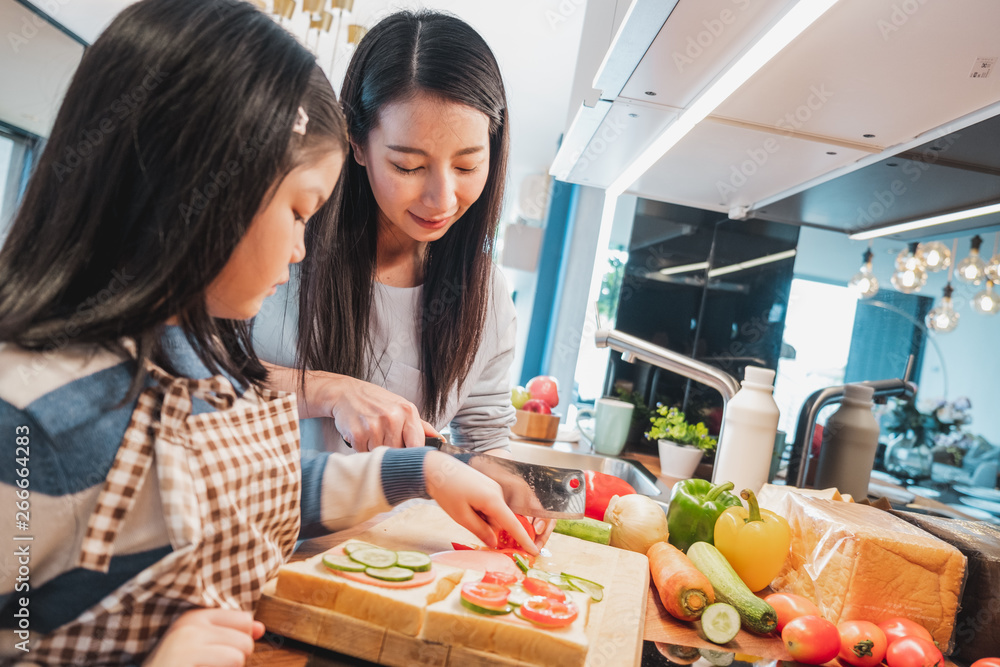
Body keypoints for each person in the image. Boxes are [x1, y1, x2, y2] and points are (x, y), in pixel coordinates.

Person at [0, 1, 533, 665]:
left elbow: (258, 494)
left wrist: (419, 469)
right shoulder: (31, 425)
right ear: (199, 192)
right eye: (299, 211)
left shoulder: (188, 371)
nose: (303, 249)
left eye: (465, 165)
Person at [256, 10, 518, 457]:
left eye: (467, 165)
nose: (441, 199)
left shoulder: (485, 295)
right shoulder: (282, 243)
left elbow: (486, 439)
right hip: (264, 520)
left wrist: (513, 488)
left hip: (396, 529)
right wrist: (327, 390)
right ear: (357, 143)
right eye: (408, 166)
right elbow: (190, 370)